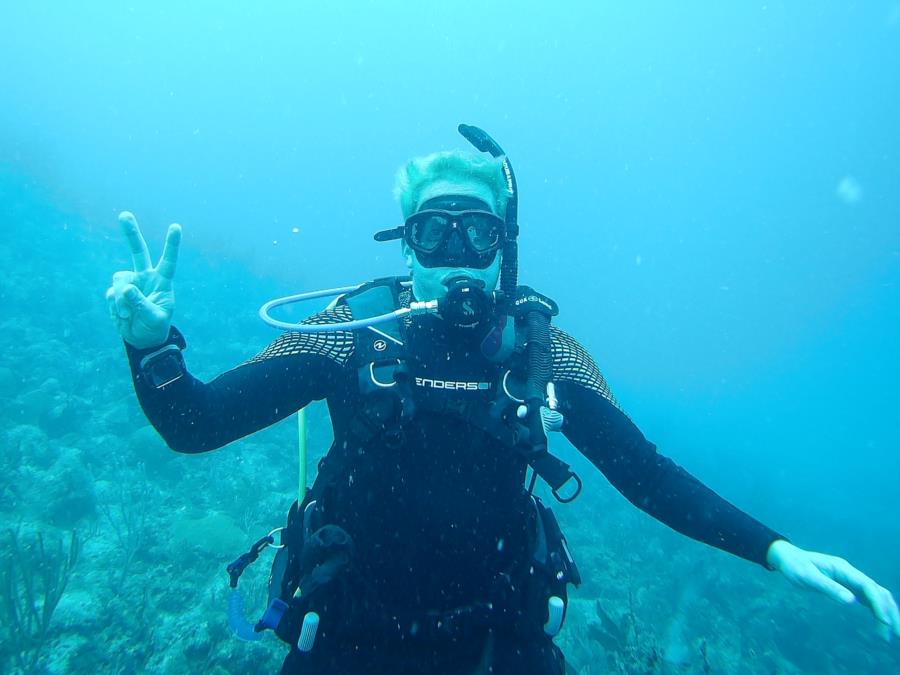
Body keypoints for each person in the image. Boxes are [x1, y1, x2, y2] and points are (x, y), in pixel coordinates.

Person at [106, 127, 899, 674]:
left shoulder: (541, 347)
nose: (456, 256)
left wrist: (775, 548)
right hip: (350, 627)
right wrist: (152, 348)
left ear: (503, 250)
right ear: (405, 245)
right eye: (434, 234)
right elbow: (195, 423)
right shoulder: (351, 327)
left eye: (476, 235)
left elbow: (646, 473)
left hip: (494, 632)